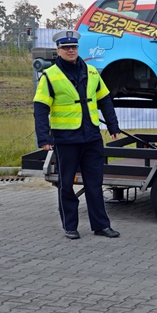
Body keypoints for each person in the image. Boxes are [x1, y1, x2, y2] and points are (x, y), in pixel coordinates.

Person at [33, 30, 121, 240]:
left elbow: (105, 99)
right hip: (66, 139)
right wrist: (44, 138)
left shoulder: (92, 72)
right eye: (65, 47)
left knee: (95, 184)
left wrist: (113, 125)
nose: (70, 50)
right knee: (66, 185)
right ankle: (70, 226)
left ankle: (101, 225)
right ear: (58, 50)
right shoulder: (50, 75)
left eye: (73, 47)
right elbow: (40, 108)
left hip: (91, 137)